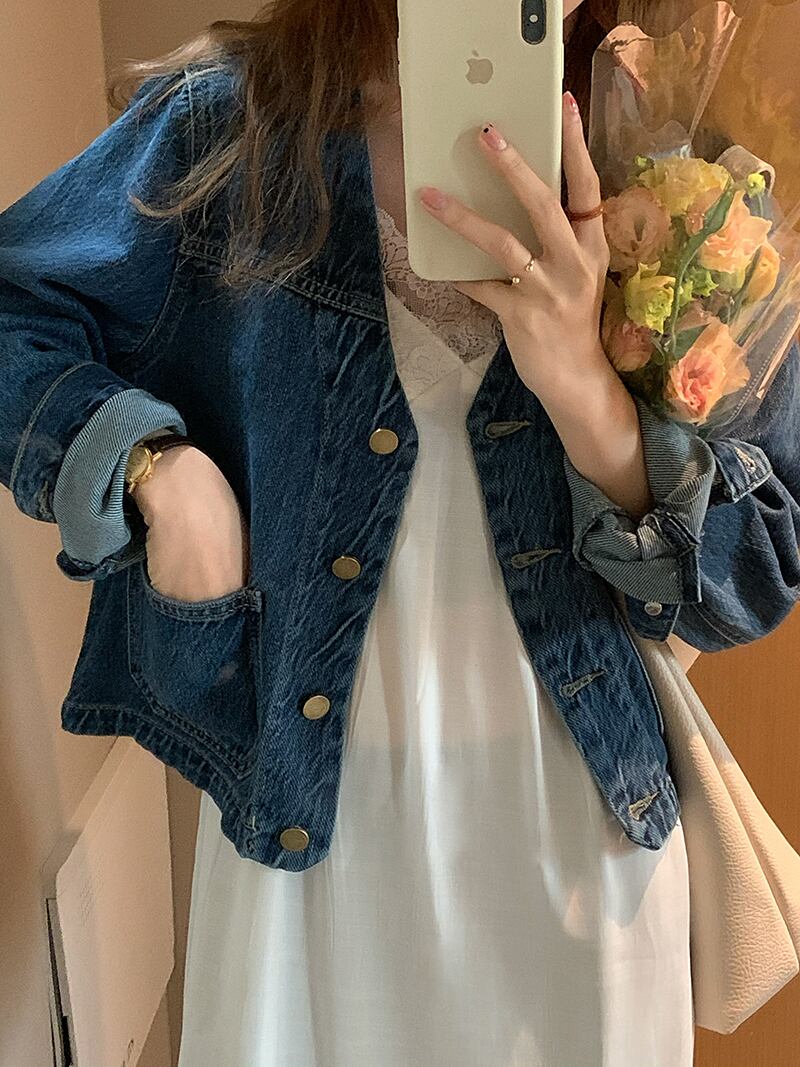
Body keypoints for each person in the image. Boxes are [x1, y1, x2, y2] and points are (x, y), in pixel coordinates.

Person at [1, 1, 798, 1064]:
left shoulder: (675, 168)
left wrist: (588, 397)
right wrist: (154, 468)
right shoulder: (238, 127)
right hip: (306, 855)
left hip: (578, 857)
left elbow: (757, 566)